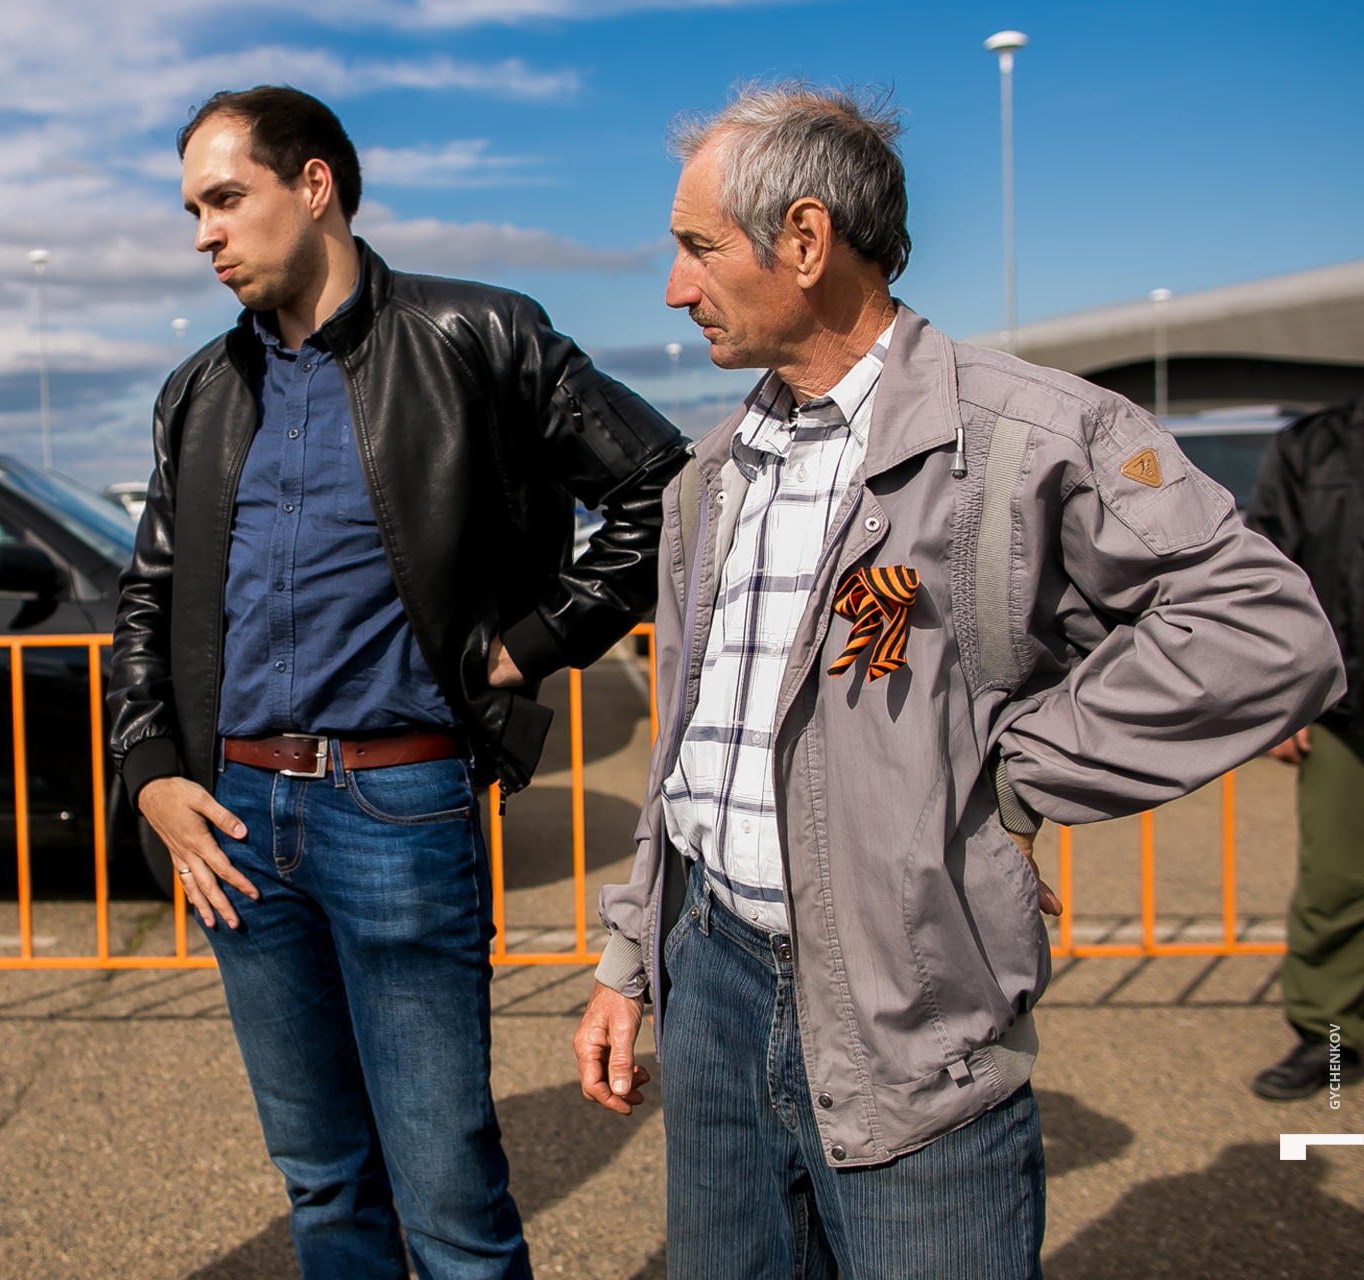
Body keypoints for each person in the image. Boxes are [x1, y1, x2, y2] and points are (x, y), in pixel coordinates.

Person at [572, 84, 1344, 1279]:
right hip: (709, 973)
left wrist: (1018, 774)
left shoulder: (1030, 436)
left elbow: (1266, 628)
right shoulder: (710, 476)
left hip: (913, 1011)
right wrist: (632, 959)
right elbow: (689, 742)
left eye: (697, 247)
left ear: (806, 240)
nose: (676, 287)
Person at [109, 87, 685, 1279]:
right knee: (323, 1184)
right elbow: (149, 596)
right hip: (234, 822)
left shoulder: (479, 333)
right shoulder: (198, 391)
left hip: (400, 805)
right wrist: (151, 768)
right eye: (193, 210)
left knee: (449, 1200)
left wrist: (533, 642)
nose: (204, 234)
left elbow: (663, 491)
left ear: (314, 185)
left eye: (226, 200)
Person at [1247, 398, 1364, 1099]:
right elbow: (1270, 572)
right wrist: (1284, 697)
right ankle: (1333, 1044)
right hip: (1345, 705)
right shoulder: (1317, 443)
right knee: (1337, 887)